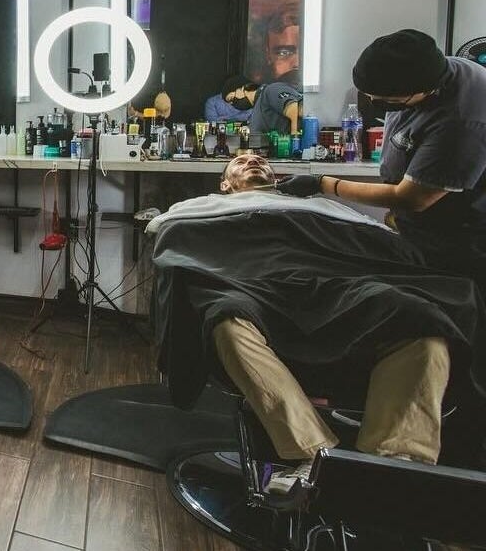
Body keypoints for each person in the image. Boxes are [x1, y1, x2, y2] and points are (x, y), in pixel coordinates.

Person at [149, 152, 484, 492]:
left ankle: (393, 469)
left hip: (339, 283)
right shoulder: (199, 209)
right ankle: (314, 455)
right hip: (248, 283)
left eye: (261, 161)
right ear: (224, 184)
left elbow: (380, 248)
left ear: (277, 179)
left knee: (422, 323)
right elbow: (178, 249)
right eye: (241, 162)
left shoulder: (325, 208)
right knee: (226, 320)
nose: (253, 162)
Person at [278, 30, 486, 283]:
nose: (374, 102)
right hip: (418, 230)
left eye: (387, 101)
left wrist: (324, 183)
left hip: (461, 239)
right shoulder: (432, 70)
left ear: (425, 90)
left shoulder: (463, 121)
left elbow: (413, 198)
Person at [223, 77, 302, 137]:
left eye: (232, 98)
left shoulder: (269, 90)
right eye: (230, 103)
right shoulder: (256, 109)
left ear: (242, 88)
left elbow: (294, 107)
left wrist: (294, 137)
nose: (233, 103)